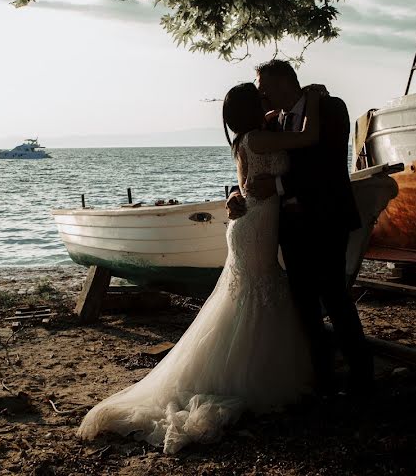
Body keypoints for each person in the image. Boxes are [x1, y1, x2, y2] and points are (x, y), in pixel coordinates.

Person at [78, 82, 324, 454]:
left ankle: (252, 369)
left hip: (251, 225)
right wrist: (316, 99)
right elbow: (309, 138)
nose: (266, 101)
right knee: (255, 297)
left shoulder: (244, 138)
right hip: (255, 228)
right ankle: (246, 378)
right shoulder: (258, 138)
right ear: (251, 110)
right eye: (260, 99)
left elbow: (265, 141)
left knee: (252, 297)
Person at [226, 60, 373, 395]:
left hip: (326, 217)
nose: (260, 94)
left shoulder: (331, 108)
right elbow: (253, 162)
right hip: (290, 226)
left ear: (282, 82)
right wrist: (237, 192)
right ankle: (322, 378)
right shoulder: (273, 122)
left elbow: (328, 166)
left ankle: (362, 377)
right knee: (303, 303)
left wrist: (278, 186)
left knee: (335, 296)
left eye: (263, 86)